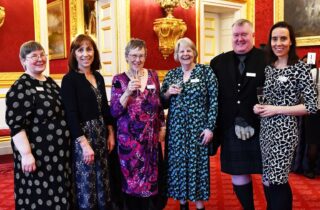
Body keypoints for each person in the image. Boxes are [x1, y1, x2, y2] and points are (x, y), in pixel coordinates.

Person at [253, 21, 318, 210]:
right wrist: (259, 108)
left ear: (291, 42)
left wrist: (276, 109)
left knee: (278, 180)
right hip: (266, 130)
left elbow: (312, 106)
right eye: (274, 39)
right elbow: (268, 99)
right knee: (267, 179)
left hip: (285, 132)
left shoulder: (301, 68)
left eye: (283, 38)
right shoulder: (269, 68)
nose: (278, 43)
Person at [5, 41, 73, 209]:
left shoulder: (50, 83)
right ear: (23, 61)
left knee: (59, 194)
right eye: (33, 56)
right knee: (40, 197)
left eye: (42, 55)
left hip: (58, 155)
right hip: (38, 156)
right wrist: (26, 154)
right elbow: (16, 125)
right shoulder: (20, 87)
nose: (40, 59)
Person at [210, 19, 265, 210]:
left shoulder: (267, 59)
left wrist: (249, 118)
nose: (239, 39)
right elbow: (213, 96)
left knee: (269, 174)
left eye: (244, 34)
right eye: (236, 35)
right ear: (231, 37)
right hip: (230, 125)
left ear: (253, 36)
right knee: (238, 172)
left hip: (263, 126)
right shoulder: (217, 62)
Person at [160, 37, 218, 210]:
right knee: (177, 168)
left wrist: (210, 127)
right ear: (177, 55)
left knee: (197, 168)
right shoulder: (172, 74)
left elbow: (214, 101)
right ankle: (183, 205)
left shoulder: (206, 72)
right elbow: (162, 103)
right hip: (176, 131)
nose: (185, 54)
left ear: (194, 52)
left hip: (198, 130)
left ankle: (199, 206)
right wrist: (168, 93)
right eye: (181, 51)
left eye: (188, 50)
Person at [110, 38, 166, 210]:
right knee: (131, 183)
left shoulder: (153, 76)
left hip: (150, 141)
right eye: (133, 55)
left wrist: (163, 126)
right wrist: (127, 92)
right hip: (129, 142)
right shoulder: (119, 79)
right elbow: (114, 111)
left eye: (141, 55)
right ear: (127, 57)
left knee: (151, 181)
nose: (138, 60)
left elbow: (159, 105)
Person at [61, 34, 115, 210]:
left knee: (102, 180)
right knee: (86, 183)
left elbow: (104, 109)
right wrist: (84, 144)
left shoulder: (98, 76)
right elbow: (71, 114)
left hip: (101, 133)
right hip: (83, 136)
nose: (85, 54)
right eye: (80, 50)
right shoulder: (69, 79)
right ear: (74, 54)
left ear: (94, 52)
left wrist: (111, 133)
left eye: (89, 49)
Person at [303, 61, 320, 179]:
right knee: (313, 143)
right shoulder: (314, 72)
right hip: (314, 111)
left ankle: (311, 169)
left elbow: (304, 91)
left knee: (313, 143)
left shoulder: (314, 72)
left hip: (314, 111)